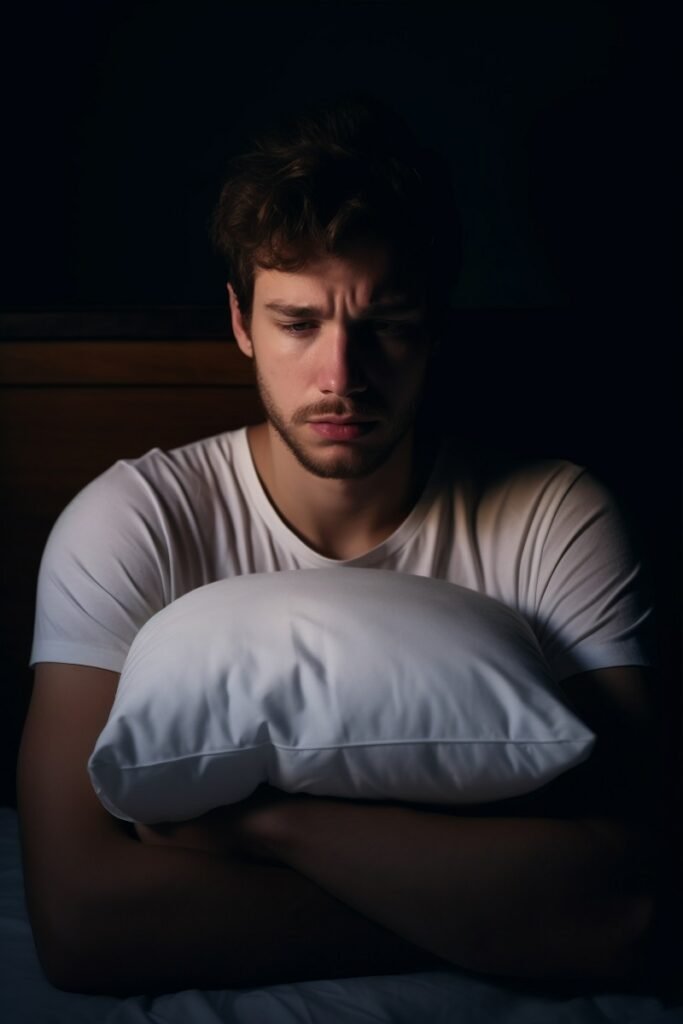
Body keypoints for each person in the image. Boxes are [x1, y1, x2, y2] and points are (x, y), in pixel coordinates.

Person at [18, 92, 663, 996]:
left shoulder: (555, 518)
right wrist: (491, 913)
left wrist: (266, 828)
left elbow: (630, 905)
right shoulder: (133, 522)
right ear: (241, 324)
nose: (341, 376)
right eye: (298, 323)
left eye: (385, 326)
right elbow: (83, 928)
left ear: (434, 326)